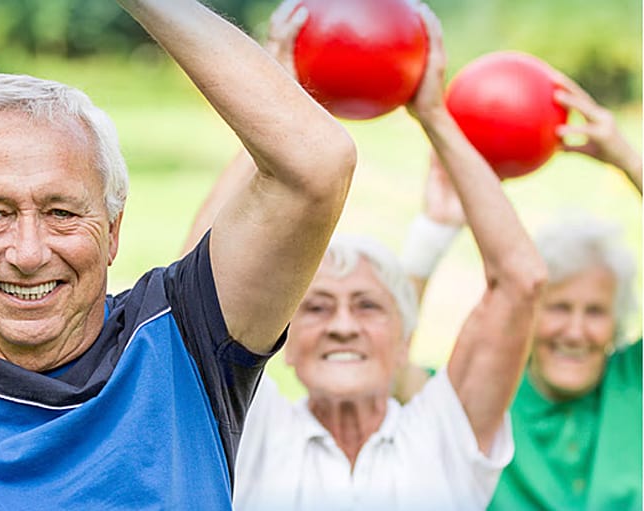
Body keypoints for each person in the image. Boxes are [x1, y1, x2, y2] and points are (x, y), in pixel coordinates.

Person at [0, 0, 358, 509]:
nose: (28, 252)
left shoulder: (182, 341)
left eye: (62, 212)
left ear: (112, 228)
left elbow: (316, 163)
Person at [182, 3, 548, 510]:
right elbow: (198, 282)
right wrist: (279, 99)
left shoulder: (444, 437)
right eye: (316, 307)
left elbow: (520, 282)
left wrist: (435, 116)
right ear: (282, 343)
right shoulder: (250, 431)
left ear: (405, 343)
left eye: (369, 306)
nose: (342, 325)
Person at [484, 75, 643, 511]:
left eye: (595, 311)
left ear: (617, 321)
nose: (574, 331)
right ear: (529, 313)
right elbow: (393, 361)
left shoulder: (636, 380)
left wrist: (628, 161)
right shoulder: (483, 393)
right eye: (558, 307)